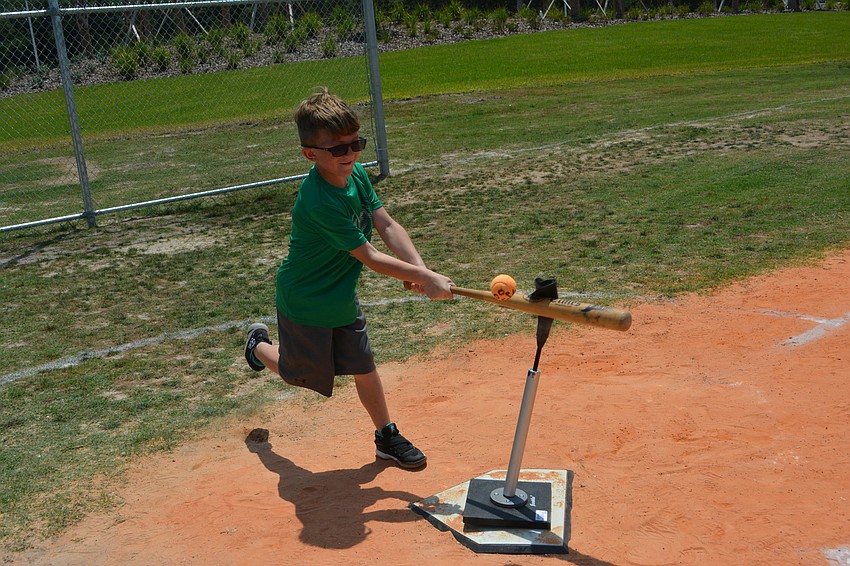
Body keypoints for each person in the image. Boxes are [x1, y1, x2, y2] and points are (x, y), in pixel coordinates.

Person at [244, 87, 454, 469]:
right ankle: (258, 346)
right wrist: (425, 277)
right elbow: (370, 256)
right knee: (297, 375)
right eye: (339, 148)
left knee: (364, 366)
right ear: (311, 154)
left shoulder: (355, 174)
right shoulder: (318, 199)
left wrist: (420, 270)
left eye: (356, 144)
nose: (351, 154)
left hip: (341, 296)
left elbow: (386, 224)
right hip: (306, 300)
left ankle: (386, 435)